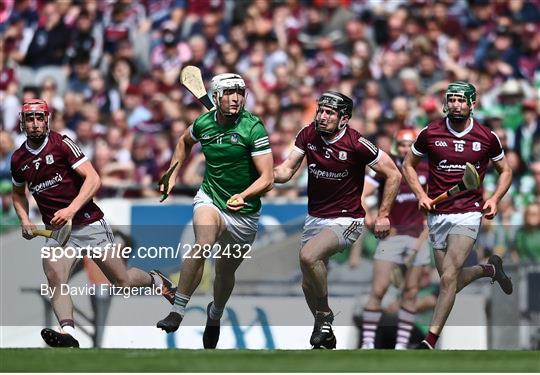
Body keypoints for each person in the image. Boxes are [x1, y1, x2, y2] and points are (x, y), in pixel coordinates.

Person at [10, 99, 175, 348]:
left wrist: (70, 210)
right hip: (57, 232)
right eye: (30, 118)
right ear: (23, 122)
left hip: (89, 222)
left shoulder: (62, 144)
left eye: (39, 118)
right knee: (55, 277)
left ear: (47, 120)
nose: (35, 123)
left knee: (122, 282)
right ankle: (67, 332)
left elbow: (93, 179)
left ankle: (157, 281)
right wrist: (24, 219)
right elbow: (18, 193)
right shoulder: (18, 158)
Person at [274, 91, 401, 349]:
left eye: (329, 113)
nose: (322, 116)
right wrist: (262, 173)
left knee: (309, 256)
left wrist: (384, 214)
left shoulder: (357, 143)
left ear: (344, 119)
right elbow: (286, 171)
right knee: (307, 283)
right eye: (320, 110)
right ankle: (326, 331)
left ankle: (324, 317)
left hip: (347, 219)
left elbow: (394, 174)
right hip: (314, 218)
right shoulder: (308, 134)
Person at [156, 73, 274, 349]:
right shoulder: (204, 123)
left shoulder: (253, 128)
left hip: (244, 212)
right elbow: (184, 142)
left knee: (224, 273)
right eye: (230, 93)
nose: (236, 99)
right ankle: (178, 310)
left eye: (241, 93)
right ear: (216, 97)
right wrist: (173, 173)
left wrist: (243, 195)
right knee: (202, 244)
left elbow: (267, 178)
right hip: (210, 197)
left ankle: (215, 313)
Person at [402, 81, 514, 350]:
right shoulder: (430, 133)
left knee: (449, 277)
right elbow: (408, 164)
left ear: (472, 103)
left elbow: (506, 170)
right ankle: (489, 269)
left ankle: (429, 340)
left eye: (461, 100)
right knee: (449, 280)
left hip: (468, 213)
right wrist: (421, 195)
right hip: (438, 214)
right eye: (451, 99)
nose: (455, 104)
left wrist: (495, 198)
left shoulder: (487, 136)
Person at [360, 128, 431, 350]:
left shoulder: (428, 170)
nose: (405, 148)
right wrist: (370, 217)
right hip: (391, 237)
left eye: (409, 143)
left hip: (418, 236)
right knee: (378, 290)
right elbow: (361, 195)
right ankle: (368, 341)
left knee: (410, 292)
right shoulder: (384, 170)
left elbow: (431, 210)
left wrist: (424, 236)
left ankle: (401, 344)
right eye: (401, 144)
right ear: (394, 146)